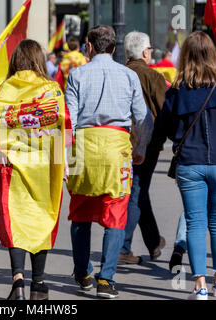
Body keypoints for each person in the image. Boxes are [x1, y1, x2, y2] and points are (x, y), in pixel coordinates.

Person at [153, 31, 216, 300]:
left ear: (185, 56)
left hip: (189, 163)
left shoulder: (177, 91)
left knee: (195, 223)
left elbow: (166, 127)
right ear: (212, 55)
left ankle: (200, 285)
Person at [0, 39, 71, 301]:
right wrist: (67, 163)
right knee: (42, 223)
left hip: (12, 166)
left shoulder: (6, 89)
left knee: (15, 223)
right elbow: (66, 127)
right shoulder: (53, 90)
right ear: (39, 59)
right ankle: (38, 284)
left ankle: (18, 279)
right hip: (46, 167)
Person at [65, 25, 153, 299]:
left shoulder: (76, 74)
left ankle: (83, 273)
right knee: (115, 213)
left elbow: (69, 119)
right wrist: (140, 147)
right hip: (117, 148)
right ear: (113, 49)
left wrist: (64, 159)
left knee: (80, 212)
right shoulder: (128, 75)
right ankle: (107, 279)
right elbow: (143, 118)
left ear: (89, 47)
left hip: (85, 147)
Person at [118, 31, 167, 265]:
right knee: (136, 192)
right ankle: (123, 247)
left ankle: (153, 241)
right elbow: (165, 112)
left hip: (119, 142)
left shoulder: (120, 73)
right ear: (145, 52)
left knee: (138, 190)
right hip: (146, 145)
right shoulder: (153, 76)